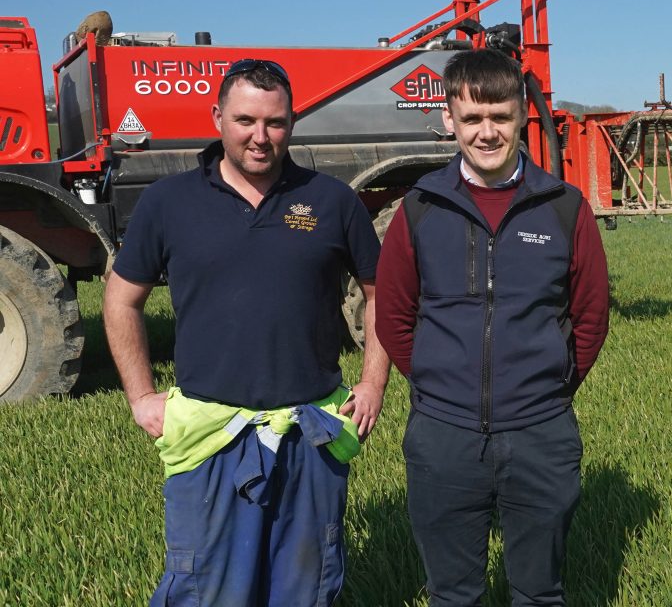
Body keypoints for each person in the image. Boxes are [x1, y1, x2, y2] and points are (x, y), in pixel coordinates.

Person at [102, 59, 390, 606]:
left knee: (304, 587)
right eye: (245, 120)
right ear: (217, 118)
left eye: (275, 123)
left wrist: (373, 382)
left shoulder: (332, 201)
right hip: (210, 434)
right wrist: (141, 394)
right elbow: (121, 297)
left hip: (312, 431)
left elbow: (381, 296)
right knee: (206, 588)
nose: (261, 137)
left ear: (292, 122)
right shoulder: (170, 201)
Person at [375, 49, 610, 606]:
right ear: (449, 119)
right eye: (473, 118)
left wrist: (546, 385)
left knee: (538, 592)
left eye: (500, 117)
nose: (487, 133)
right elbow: (394, 317)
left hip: (541, 433)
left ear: (520, 118)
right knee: (453, 594)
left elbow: (590, 317)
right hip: (443, 435)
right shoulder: (421, 208)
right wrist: (440, 381)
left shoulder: (563, 207)